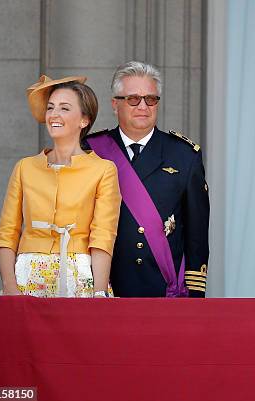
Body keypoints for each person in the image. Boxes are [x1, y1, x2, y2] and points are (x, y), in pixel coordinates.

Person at [85, 61, 209, 298]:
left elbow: (197, 235)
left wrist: (193, 295)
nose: (143, 106)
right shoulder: (92, 151)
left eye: (150, 99)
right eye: (133, 99)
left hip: (163, 290)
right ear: (115, 104)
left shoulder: (184, 155)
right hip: (104, 284)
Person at [0, 76, 121, 298]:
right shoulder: (25, 167)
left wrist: (99, 293)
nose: (54, 114)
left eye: (64, 108)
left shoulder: (103, 170)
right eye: (50, 107)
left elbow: (103, 236)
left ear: (84, 120)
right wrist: (10, 287)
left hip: (79, 277)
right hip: (27, 276)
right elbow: (7, 233)